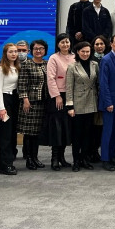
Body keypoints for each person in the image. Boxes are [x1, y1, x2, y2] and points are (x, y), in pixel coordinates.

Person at [65, 41, 98, 171]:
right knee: (77, 135)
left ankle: (85, 159)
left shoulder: (95, 65)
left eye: (87, 51)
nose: (85, 54)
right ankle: (76, 161)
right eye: (83, 51)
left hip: (91, 102)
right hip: (78, 104)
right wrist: (70, 106)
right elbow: (69, 87)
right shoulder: (72, 67)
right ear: (78, 52)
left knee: (88, 134)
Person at [17, 39, 49, 170]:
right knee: (29, 133)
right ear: (32, 50)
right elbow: (22, 84)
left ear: (45, 50)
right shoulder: (27, 64)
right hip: (30, 103)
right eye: (36, 48)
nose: (38, 51)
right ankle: (29, 158)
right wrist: (25, 100)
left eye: (41, 48)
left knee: (37, 133)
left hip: (43, 103)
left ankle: (35, 157)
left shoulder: (47, 64)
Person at [45, 33, 75, 170]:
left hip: (71, 95)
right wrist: (57, 96)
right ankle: (55, 158)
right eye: (62, 42)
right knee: (57, 128)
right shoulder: (54, 58)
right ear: (58, 44)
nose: (65, 44)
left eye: (67, 42)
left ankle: (62, 158)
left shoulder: (74, 57)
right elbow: (51, 79)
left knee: (66, 127)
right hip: (58, 96)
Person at [98, 34, 115, 171]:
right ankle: (105, 159)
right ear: (111, 44)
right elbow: (103, 84)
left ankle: (114, 156)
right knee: (108, 132)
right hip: (109, 103)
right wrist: (108, 102)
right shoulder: (106, 59)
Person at [0, 43, 19, 175]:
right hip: (4, 100)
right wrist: (1, 108)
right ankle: (5, 165)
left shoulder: (17, 67)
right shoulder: (0, 69)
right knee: (5, 135)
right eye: (11, 52)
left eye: (15, 51)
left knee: (12, 133)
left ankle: (5, 161)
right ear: (5, 53)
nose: (13, 54)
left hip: (14, 100)